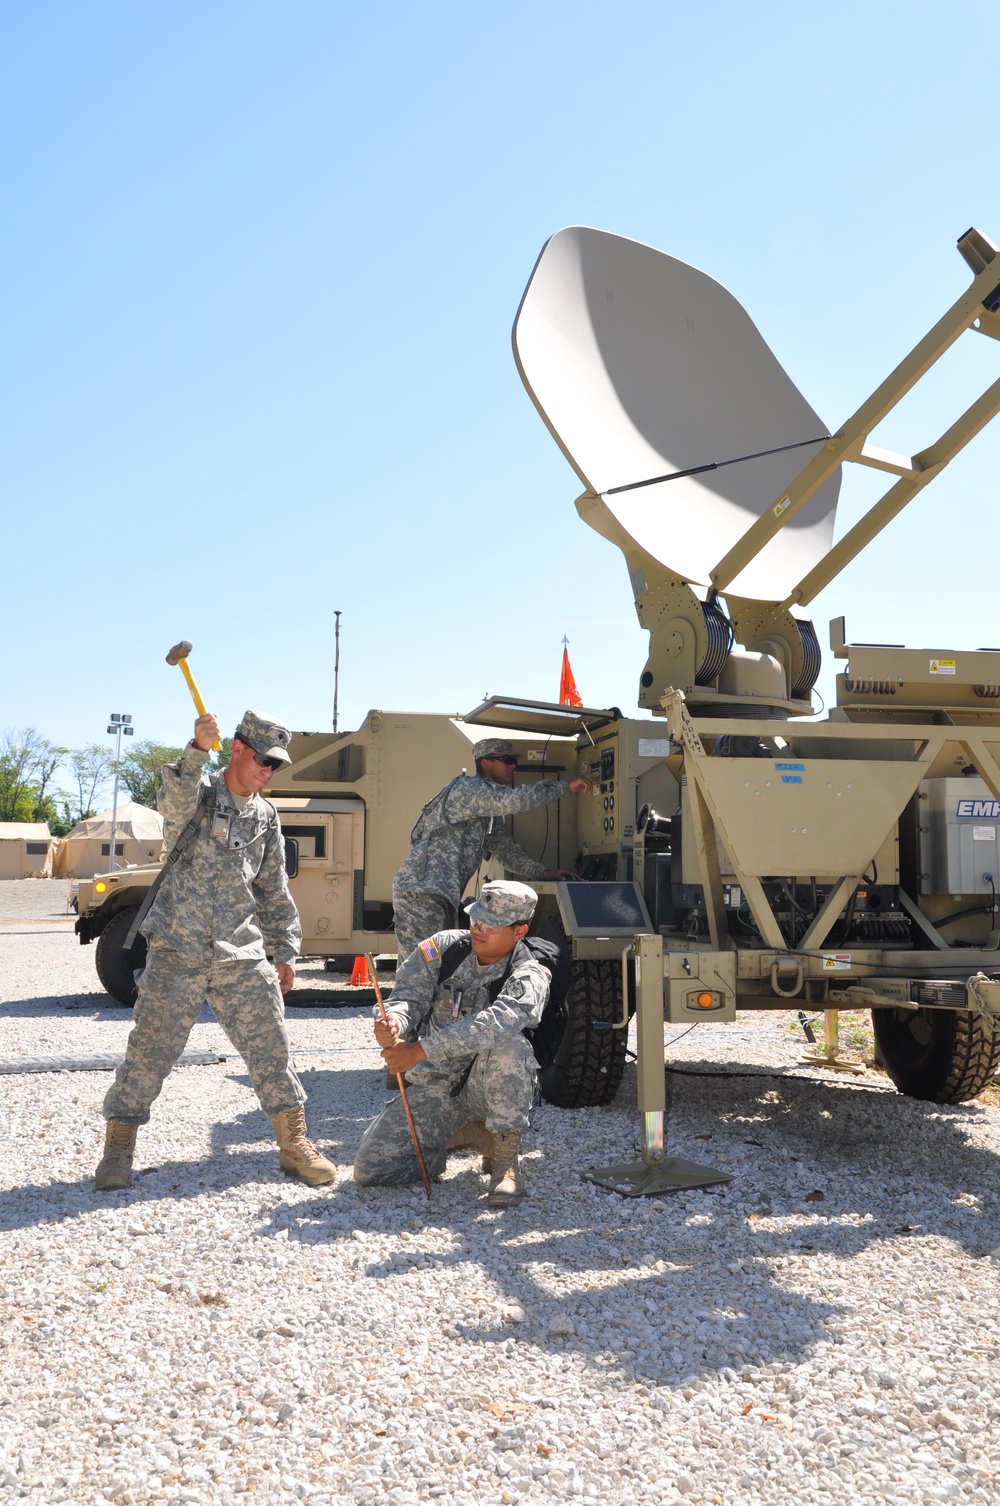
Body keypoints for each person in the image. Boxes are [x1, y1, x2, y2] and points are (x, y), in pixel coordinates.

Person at [94, 709, 336, 1192]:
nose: (268, 770)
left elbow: (272, 889)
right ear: (239, 749)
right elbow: (173, 799)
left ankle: (294, 1145)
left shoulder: (266, 815)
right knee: (149, 1051)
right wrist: (198, 749)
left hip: (241, 953)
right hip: (177, 950)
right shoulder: (200, 796)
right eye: (264, 759)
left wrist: (285, 950)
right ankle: (118, 1147)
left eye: (277, 765)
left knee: (273, 1048)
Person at [354, 880, 547, 1207]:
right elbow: (408, 996)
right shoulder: (443, 948)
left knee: (509, 1046)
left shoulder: (530, 974)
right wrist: (393, 1021)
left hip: (490, 1089)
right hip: (438, 1085)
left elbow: (495, 1024)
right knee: (372, 1168)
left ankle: (504, 1160)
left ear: (519, 931)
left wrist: (417, 1051)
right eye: (474, 919)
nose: (478, 928)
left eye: (490, 924)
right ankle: (467, 1136)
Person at [391, 737, 592, 960]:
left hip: (438, 894)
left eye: (514, 760)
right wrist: (566, 787)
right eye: (507, 760)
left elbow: (505, 849)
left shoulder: (486, 809)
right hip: (422, 894)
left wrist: (543, 872)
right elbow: (515, 800)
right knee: (422, 962)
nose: (513, 766)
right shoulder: (469, 789)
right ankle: (409, 996)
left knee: (437, 963)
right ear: (486, 762)